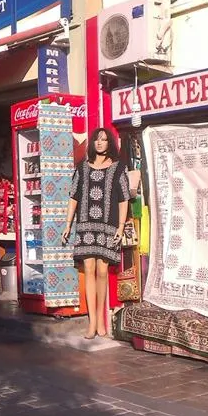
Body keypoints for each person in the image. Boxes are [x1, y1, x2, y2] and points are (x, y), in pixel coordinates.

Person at [62, 127, 130, 340]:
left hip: (108, 227)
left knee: (102, 272)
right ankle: (92, 324)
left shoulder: (119, 168)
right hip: (85, 226)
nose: (100, 143)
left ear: (110, 143)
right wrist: (67, 224)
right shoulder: (81, 168)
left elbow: (124, 198)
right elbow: (73, 196)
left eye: (104, 139)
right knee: (88, 270)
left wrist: (120, 226)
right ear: (92, 143)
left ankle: (101, 322)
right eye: (97, 140)